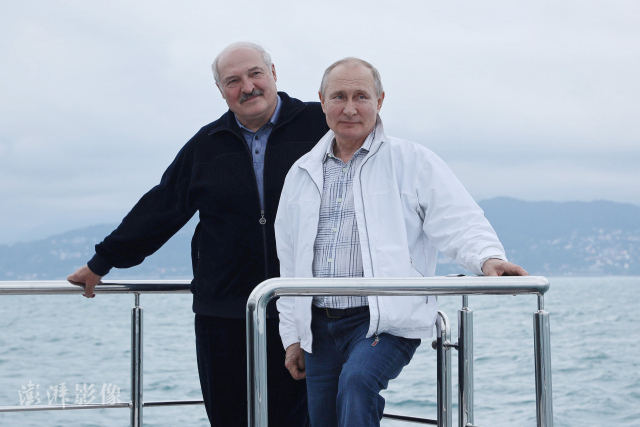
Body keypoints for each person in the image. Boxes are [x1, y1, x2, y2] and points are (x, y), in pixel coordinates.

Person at [67, 42, 329, 427]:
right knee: (229, 419)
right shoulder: (207, 144)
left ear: (273, 73)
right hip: (222, 314)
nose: (247, 87)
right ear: (221, 91)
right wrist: (101, 262)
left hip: (306, 307)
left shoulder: (320, 125)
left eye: (255, 74)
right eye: (233, 81)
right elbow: (162, 207)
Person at [274, 57, 528, 427]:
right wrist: (292, 337)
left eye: (361, 96)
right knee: (324, 420)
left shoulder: (413, 161)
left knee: (358, 383)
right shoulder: (301, 173)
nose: (349, 108)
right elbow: (288, 262)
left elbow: (459, 220)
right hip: (319, 327)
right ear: (322, 101)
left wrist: (488, 258)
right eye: (339, 96)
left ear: (379, 101)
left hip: (383, 320)